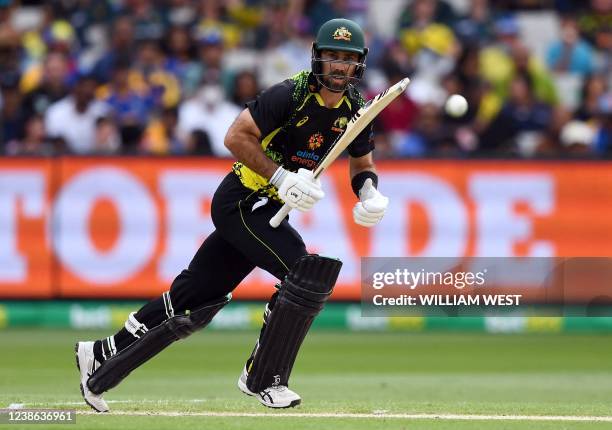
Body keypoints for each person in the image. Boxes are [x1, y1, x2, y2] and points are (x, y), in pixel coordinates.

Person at [75, 18, 389, 412]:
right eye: (332, 57)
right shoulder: (290, 94)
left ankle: (100, 353)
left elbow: (361, 163)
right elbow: (235, 136)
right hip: (242, 200)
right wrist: (280, 175)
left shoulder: (358, 109)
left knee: (193, 296)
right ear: (317, 58)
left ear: (359, 64)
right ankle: (264, 377)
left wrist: (370, 192)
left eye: (348, 59)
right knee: (306, 274)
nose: (339, 66)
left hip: (269, 209)